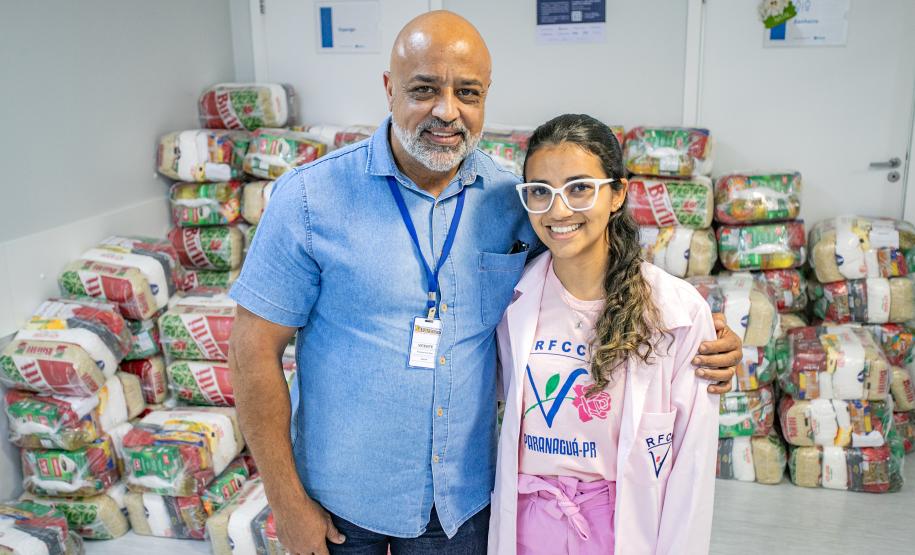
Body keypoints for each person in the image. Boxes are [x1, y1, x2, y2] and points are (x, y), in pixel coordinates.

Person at [228, 10, 739, 555]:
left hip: (463, 507)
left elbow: (592, 264)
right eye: (424, 89)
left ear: (485, 96)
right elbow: (252, 350)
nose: (447, 111)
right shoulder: (309, 199)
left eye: (467, 92)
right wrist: (285, 501)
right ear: (388, 88)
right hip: (341, 506)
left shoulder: (512, 199)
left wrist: (700, 335)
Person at [488, 114, 718, 555]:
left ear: (617, 194)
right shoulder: (512, 300)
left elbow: (692, 467)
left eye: (579, 188)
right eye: (540, 191)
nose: (558, 210)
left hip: (622, 528)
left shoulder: (677, 312)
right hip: (527, 525)